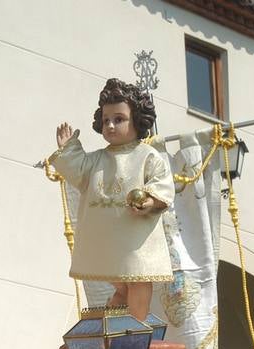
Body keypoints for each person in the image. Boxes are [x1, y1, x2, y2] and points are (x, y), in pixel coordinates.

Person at [52, 77, 172, 323]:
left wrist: (150, 200)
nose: (110, 126)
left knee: (138, 279)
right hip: (107, 234)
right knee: (119, 282)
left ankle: (136, 326)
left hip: (136, 236)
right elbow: (78, 171)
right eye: (106, 120)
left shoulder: (147, 155)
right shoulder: (97, 159)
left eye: (119, 119)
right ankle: (116, 322)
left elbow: (162, 183)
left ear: (137, 119)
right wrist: (68, 150)